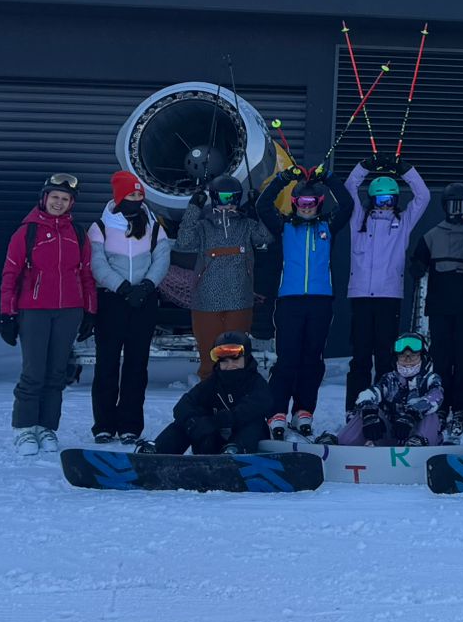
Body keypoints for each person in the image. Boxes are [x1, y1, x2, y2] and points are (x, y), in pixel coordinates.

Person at [0, 173, 98, 454]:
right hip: (34, 311)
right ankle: (24, 428)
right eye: (54, 197)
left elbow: (87, 276)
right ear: (44, 198)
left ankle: (46, 427)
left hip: (69, 311)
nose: (58, 203)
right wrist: (7, 314)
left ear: (71, 204)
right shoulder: (26, 232)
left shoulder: (77, 234)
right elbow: (10, 275)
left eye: (64, 199)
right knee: (34, 372)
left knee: (57, 373)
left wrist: (90, 311)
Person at [256, 166, 347, 440]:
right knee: (287, 358)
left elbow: (348, 204)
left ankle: (304, 409)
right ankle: (278, 412)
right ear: (294, 204)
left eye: (312, 204)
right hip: (289, 301)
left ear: (319, 205)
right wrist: (283, 179)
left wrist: (329, 178)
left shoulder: (327, 227)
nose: (307, 208)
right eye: (302, 203)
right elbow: (263, 205)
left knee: (312, 359)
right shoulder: (284, 227)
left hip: (320, 301)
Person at [87, 170, 169, 445]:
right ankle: (104, 424)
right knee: (107, 364)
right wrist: (121, 287)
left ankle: (130, 424)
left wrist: (146, 286)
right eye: (131, 195)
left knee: (137, 366)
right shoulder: (100, 227)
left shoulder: (154, 226)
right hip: (113, 301)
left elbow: (161, 258)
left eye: (139, 195)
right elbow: (97, 263)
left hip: (143, 302)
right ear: (119, 197)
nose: (136, 199)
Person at [343, 155, 430, 407]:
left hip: (389, 297)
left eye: (390, 199)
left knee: (385, 356)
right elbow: (349, 188)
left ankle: (384, 406)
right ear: (371, 200)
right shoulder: (358, 220)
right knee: (359, 357)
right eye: (381, 200)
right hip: (360, 296)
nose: (385, 205)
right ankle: (354, 407)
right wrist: (363, 167)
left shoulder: (402, 223)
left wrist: (407, 170)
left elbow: (423, 196)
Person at [174, 173, 272, 379]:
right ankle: (209, 400)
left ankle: (236, 399)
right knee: (209, 357)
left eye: (233, 198)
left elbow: (266, 237)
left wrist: (259, 208)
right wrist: (194, 208)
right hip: (206, 300)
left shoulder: (246, 224)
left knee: (235, 354)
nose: (228, 204)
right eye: (223, 198)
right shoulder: (203, 226)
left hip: (239, 299)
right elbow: (183, 242)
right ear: (214, 197)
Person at [409, 183, 463, 434]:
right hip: (439, 306)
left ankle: (462, 405)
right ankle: (440, 403)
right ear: (445, 207)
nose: (457, 210)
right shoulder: (432, 235)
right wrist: (416, 267)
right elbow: (417, 259)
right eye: (453, 205)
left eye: (462, 205)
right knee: (441, 358)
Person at [140, 334, 271, 455]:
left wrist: (217, 421)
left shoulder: (256, 382)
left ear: (246, 358)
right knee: (184, 423)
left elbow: (257, 406)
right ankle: (157, 452)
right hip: (212, 444)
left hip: (246, 445)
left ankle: (234, 454)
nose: (230, 365)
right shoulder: (212, 382)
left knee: (254, 422)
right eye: (224, 361)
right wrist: (193, 423)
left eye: (235, 359)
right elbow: (184, 404)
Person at [338, 332, 444, 447]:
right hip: (392, 436)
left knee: (431, 414)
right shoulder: (389, 379)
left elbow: (436, 395)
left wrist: (412, 415)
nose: (408, 360)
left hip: (421, 437)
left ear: (423, 357)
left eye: (413, 356)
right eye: (403, 356)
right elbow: (370, 393)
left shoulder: (430, 378)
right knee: (367, 412)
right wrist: (369, 414)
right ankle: (342, 444)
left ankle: (417, 443)